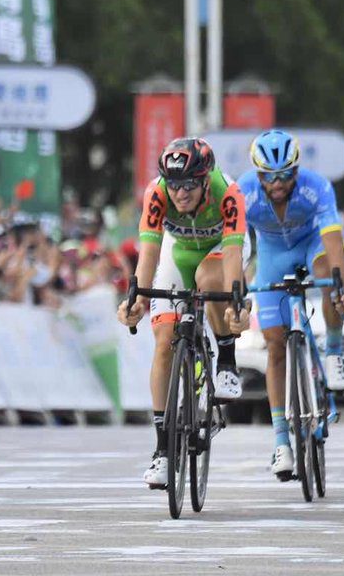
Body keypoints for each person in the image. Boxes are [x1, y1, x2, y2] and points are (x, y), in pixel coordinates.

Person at [117, 137, 250, 489]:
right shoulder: (156, 194)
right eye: (175, 185)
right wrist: (137, 299)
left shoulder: (229, 192)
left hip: (222, 250)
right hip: (178, 254)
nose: (181, 193)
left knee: (210, 278)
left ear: (206, 179)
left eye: (189, 184)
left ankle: (226, 359)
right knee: (163, 341)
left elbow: (235, 257)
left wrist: (236, 302)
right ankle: (162, 450)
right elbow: (148, 253)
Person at [238, 129, 344, 480]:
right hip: (272, 254)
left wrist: (339, 289)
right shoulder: (243, 192)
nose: (278, 183)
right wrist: (238, 290)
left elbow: (334, 242)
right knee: (274, 344)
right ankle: (281, 444)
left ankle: (332, 351)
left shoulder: (316, 187)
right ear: (258, 175)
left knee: (326, 273)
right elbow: (236, 248)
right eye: (269, 176)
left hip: (310, 244)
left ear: (296, 171)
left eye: (286, 174)